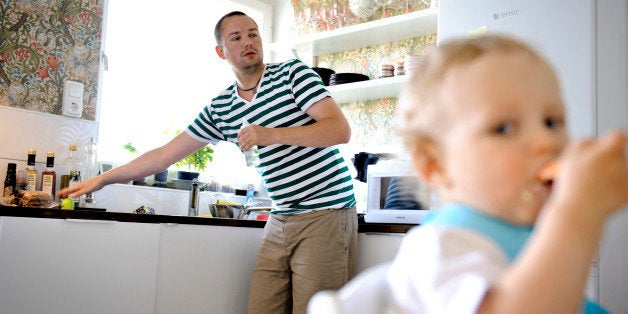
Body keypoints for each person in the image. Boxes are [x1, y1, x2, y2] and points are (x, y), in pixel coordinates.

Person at [60, 11, 357, 314]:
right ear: (221, 51)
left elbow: (339, 129)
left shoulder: (293, 74)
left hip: (326, 212)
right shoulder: (222, 106)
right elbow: (164, 154)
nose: (248, 42)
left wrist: (271, 134)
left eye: (253, 34)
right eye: (236, 38)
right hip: (280, 218)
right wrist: (105, 178)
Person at [387, 34, 628, 313]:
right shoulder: (439, 247)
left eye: (551, 121)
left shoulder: (531, 229)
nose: (546, 142)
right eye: (503, 128)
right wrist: (577, 213)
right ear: (435, 165)